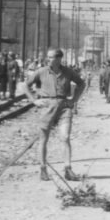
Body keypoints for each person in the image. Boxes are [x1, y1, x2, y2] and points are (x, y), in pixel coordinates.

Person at [25, 47, 86, 182]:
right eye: (49, 57)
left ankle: (68, 169)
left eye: (52, 57)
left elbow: (81, 84)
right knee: (43, 139)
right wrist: (34, 100)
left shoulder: (68, 72)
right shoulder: (41, 72)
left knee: (65, 137)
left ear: (59, 59)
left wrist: (74, 100)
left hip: (64, 107)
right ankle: (43, 169)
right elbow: (26, 85)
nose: (49, 59)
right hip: (47, 107)